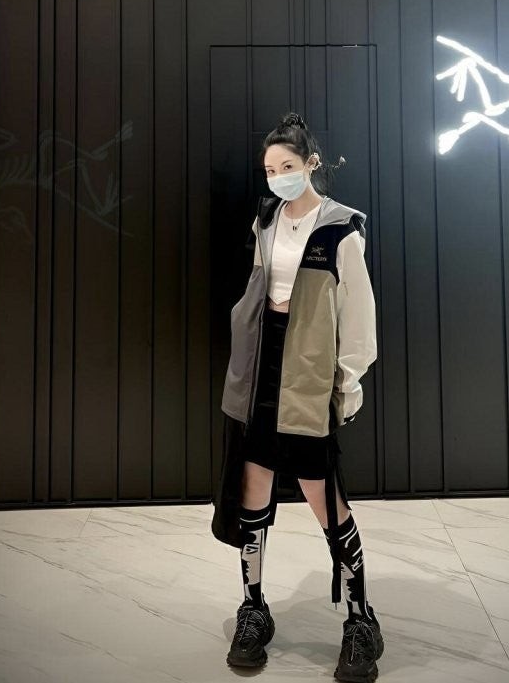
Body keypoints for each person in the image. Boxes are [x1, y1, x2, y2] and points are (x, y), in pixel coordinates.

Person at [213, 111, 383, 682]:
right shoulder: (265, 219)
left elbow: (358, 315)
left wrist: (348, 378)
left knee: (320, 490)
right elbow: (259, 288)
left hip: (309, 368)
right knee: (253, 482)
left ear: (311, 163)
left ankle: (360, 618)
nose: (277, 176)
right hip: (260, 364)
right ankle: (253, 608)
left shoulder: (341, 228)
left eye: (286, 166)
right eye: (269, 170)